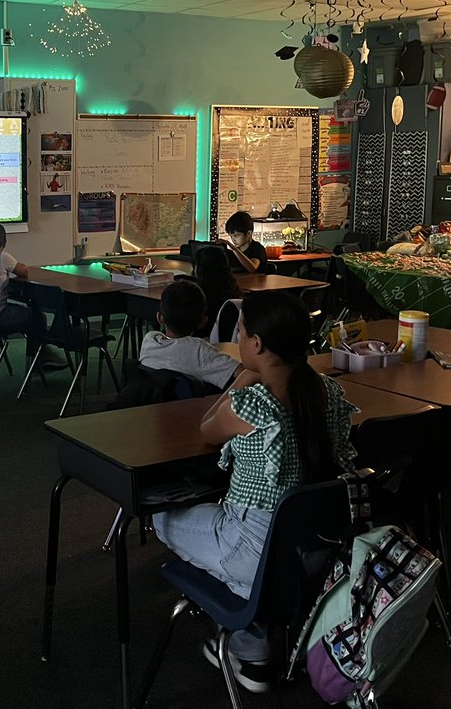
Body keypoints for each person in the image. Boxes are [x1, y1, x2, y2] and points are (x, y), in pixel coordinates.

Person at [152, 290, 356, 690]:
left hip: (251, 550)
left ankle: (249, 643)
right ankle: (260, 619)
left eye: (241, 332)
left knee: (162, 517)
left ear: (257, 344)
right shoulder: (329, 394)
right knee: (261, 537)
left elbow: (208, 429)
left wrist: (244, 376)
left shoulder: (252, 404)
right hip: (317, 552)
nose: (239, 338)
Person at [0, 222, 62, 367]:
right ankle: (40, 357)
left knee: (30, 315)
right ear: (4, 241)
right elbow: (23, 271)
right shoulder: (3, 257)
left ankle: (37, 357)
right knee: (36, 316)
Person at [140, 280, 240, 390]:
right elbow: (242, 373)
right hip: (201, 407)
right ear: (203, 321)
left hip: (155, 405)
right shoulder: (199, 351)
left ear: (160, 317)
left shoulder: (149, 340)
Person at [192, 246, 243, 338]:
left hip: (202, 340)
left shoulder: (197, 296)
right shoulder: (233, 292)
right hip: (227, 343)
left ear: (199, 268)